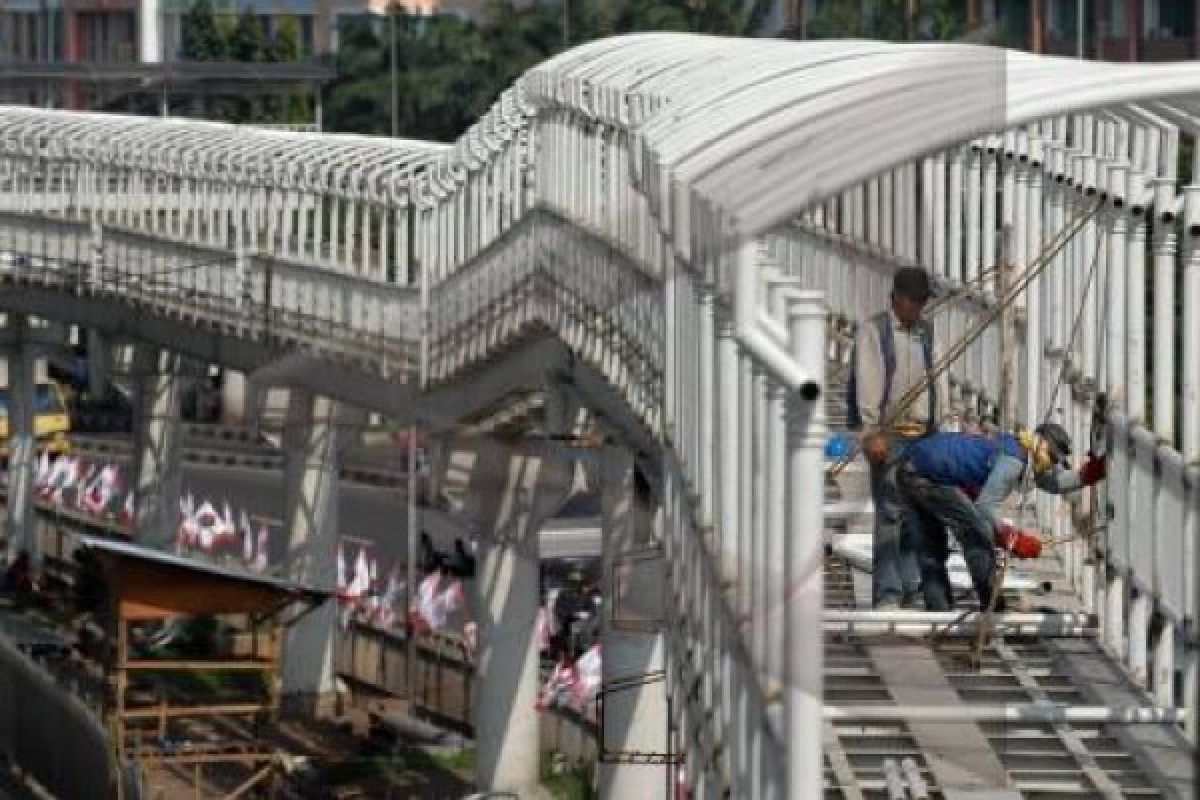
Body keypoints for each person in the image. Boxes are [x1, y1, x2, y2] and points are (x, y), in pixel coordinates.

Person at [893, 422, 1106, 612]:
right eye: (1052, 459)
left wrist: (1086, 476)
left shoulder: (1023, 452)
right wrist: (1011, 538)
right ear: (1042, 447)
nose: (1052, 466)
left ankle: (938, 607)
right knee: (976, 534)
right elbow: (985, 507)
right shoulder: (1014, 461)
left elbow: (1054, 483)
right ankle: (991, 602)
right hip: (926, 475)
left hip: (912, 467)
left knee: (931, 547)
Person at [849, 267, 941, 609]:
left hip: (923, 436)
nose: (918, 308)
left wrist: (941, 429)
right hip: (889, 435)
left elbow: (938, 383)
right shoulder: (875, 332)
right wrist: (871, 431)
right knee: (889, 513)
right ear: (896, 298)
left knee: (917, 512)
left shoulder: (927, 333)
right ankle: (887, 592)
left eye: (922, 302)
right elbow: (868, 380)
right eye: (913, 301)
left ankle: (911, 587)